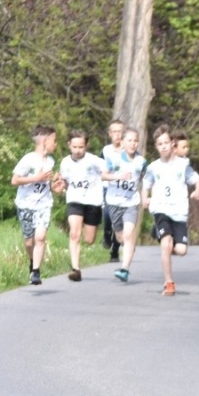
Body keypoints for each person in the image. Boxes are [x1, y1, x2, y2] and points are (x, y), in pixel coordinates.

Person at [141, 129, 199, 296]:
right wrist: (145, 199)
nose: (164, 147)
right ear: (156, 146)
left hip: (179, 211)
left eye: (166, 143)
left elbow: (196, 180)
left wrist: (197, 191)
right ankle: (168, 282)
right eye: (160, 144)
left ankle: (163, 238)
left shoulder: (183, 165)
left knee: (181, 250)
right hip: (160, 209)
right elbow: (146, 184)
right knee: (166, 245)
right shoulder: (153, 167)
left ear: (172, 143)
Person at [9, 125, 58, 285]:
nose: (56, 144)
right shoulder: (28, 159)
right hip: (25, 205)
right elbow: (15, 180)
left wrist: (56, 186)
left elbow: (47, 184)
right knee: (29, 242)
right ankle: (32, 262)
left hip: (43, 204)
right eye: (54, 140)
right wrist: (36, 178)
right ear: (44, 141)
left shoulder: (50, 161)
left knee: (41, 237)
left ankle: (36, 271)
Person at [59, 131, 106, 281]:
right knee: (74, 233)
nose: (78, 150)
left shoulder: (95, 161)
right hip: (75, 199)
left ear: (86, 146)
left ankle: (99, 234)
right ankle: (76, 269)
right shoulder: (65, 162)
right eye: (74, 147)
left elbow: (107, 173)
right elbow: (65, 182)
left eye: (81, 147)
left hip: (93, 201)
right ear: (69, 145)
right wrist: (60, 185)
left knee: (89, 240)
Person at [101, 127, 145, 283]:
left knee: (128, 234)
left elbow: (147, 180)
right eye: (129, 140)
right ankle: (126, 247)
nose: (133, 144)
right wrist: (117, 176)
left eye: (135, 141)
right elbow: (102, 175)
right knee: (120, 237)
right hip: (114, 202)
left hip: (131, 203)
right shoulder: (115, 159)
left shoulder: (141, 161)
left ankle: (124, 268)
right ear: (123, 142)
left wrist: (147, 196)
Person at [101, 119, 125, 260]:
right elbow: (98, 167)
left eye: (120, 132)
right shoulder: (105, 150)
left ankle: (115, 251)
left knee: (119, 221)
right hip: (108, 187)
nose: (117, 135)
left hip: (123, 190)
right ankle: (106, 233)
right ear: (110, 134)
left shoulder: (129, 149)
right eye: (114, 132)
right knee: (107, 214)